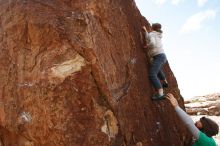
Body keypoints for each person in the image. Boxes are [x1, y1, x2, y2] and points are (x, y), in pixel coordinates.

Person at [142, 23, 168, 100]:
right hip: (161, 56)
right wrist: (145, 31)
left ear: (152, 27)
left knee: (152, 74)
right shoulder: (157, 35)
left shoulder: (152, 34)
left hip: (158, 56)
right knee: (157, 69)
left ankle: (160, 93)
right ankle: (165, 82)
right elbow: (149, 37)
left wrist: (147, 46)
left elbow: (152, 42)